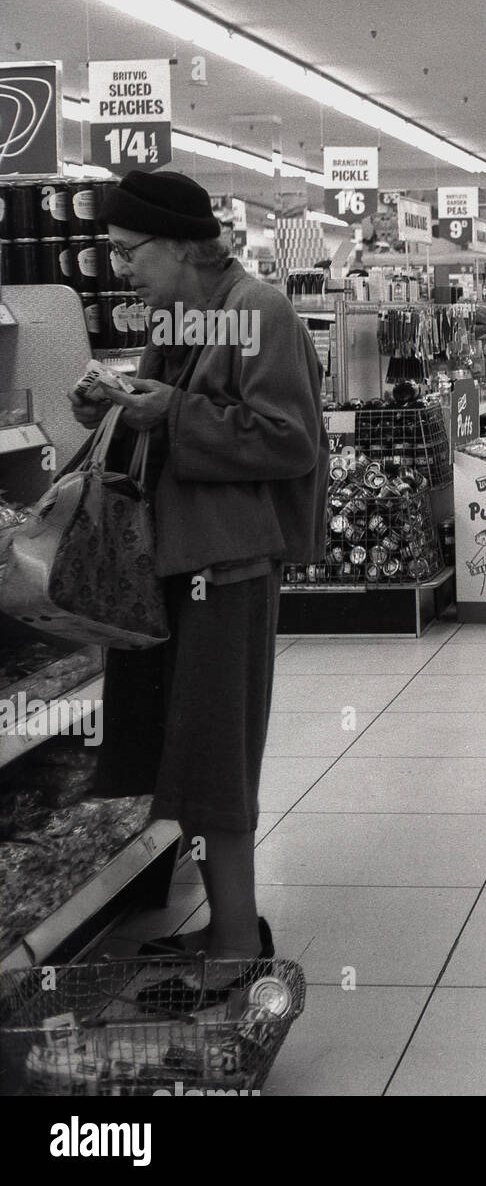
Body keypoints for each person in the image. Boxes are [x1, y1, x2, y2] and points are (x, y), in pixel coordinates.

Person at [68, 169, 328, 1001]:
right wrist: (109, 408)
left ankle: (234, 946)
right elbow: (165, 415)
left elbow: (289, 441)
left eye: (129, 251)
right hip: (174, 564)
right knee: (188, 756)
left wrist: (168, 413)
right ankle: (226, 928)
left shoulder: (260, 313)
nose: (121, 269)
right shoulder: (180, 319)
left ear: (183, 245)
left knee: (217, 761)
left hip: (229, 566)